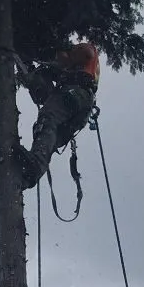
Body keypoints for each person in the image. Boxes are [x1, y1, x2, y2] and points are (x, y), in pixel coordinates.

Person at [15, 42, 100, 189]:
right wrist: (32, 73)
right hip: (77, 111)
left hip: (77, 94)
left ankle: (35, 165)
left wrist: (54, 55)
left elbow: (85, 53)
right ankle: (26, 178)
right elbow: (42, 96)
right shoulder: (64, 75)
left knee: (47, 119)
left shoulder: (84, 53)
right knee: (48, 136)